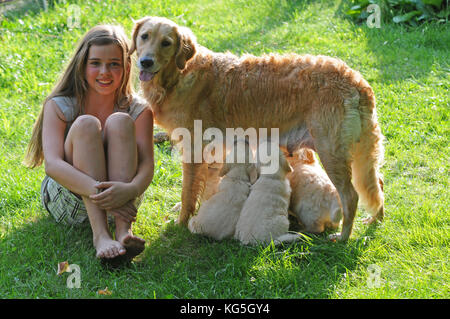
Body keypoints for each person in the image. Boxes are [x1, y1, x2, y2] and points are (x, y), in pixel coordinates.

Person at [24, 25, 154, 266]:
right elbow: (52, 165)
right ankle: (101, 236)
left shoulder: (139, 110)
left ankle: (124, 232)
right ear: (82, 65)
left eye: (114, 64)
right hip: (70, 199)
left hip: (123, 198)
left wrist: (132, 190)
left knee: (120, 121)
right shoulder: (60, 105)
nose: (105, 72)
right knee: (85, 124)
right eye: (96, 63)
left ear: (127, 67)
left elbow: (147, 164)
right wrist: (101, 193)